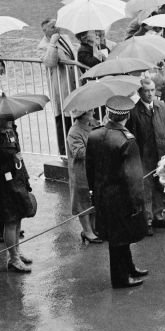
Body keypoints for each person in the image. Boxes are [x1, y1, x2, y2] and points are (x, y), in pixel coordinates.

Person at [86, 96, 149, 289]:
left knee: (120, 237)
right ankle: (120, 279)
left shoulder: (94, 135)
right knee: (118, 239)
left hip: (102, 195)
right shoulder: (127, 141)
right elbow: (134, 176)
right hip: (123, 197)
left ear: (107, 114)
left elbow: (90, 169)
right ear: (126, 116)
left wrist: (93, 192)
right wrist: (138, 201)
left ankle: (129, 268)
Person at [126, 77, 165, 233]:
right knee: (146, 189)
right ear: (140, 92)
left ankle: (158, 216)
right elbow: (131, 137)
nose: (150, 94)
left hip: (162, 153)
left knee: (159, 185)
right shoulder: (134, 112)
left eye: (152, 90)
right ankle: (147, 220)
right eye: (146, 91)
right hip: (144, 157)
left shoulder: (161, 106)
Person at [0, 63, 34, 274]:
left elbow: (16, 151)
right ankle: (12, 257)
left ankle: (16, 251)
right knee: (10, 218)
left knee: (18, 215)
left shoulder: (11, 133)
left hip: (16, 175)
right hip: (5, 180)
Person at [39, 19, 79, 157]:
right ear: (45, 31)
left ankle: (76, 150)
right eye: (52, 27)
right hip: (60, 88)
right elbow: (50, 62)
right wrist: (53, 43)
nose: (57, 28)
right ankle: (64, 154)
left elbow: (74, 55)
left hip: (73, 84)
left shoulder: (66, 38)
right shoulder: (43, 45)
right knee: (63, 120)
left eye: (57, 25)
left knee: (76, 118)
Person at [67, 109, 101, 243]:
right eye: (90, 110)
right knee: (83, 202)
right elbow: (78, 152)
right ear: (83, 114)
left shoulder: (94, 124)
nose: (93, 111)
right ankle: (87, 231)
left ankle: (92, 228)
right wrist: (97, 146)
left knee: (94, 200)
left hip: (94, 170)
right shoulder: (74, 131)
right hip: (81, 172)